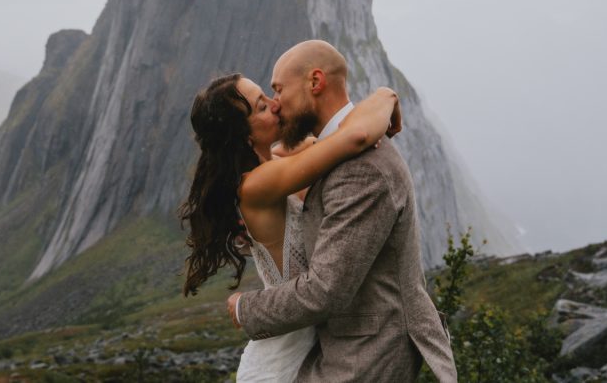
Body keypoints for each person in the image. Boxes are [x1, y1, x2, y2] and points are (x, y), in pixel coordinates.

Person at [227, 40, 458, 382]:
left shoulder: (360, 167)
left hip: (367, 357)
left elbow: (325, 290)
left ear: (315, 82)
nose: (276, 105)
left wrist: (245, 308)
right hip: (341, 350)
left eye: (278, 90)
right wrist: (385, 95)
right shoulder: (328, 153)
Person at [180, 69, 404, 382]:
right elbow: (356, 136)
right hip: (280, 364)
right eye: (261, 107)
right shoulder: (257, 184)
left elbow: (308, 142)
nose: (274, 104)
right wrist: (386, 95)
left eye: (267, 96)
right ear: (245, 136)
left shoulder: (272, 161)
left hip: (305, 348)